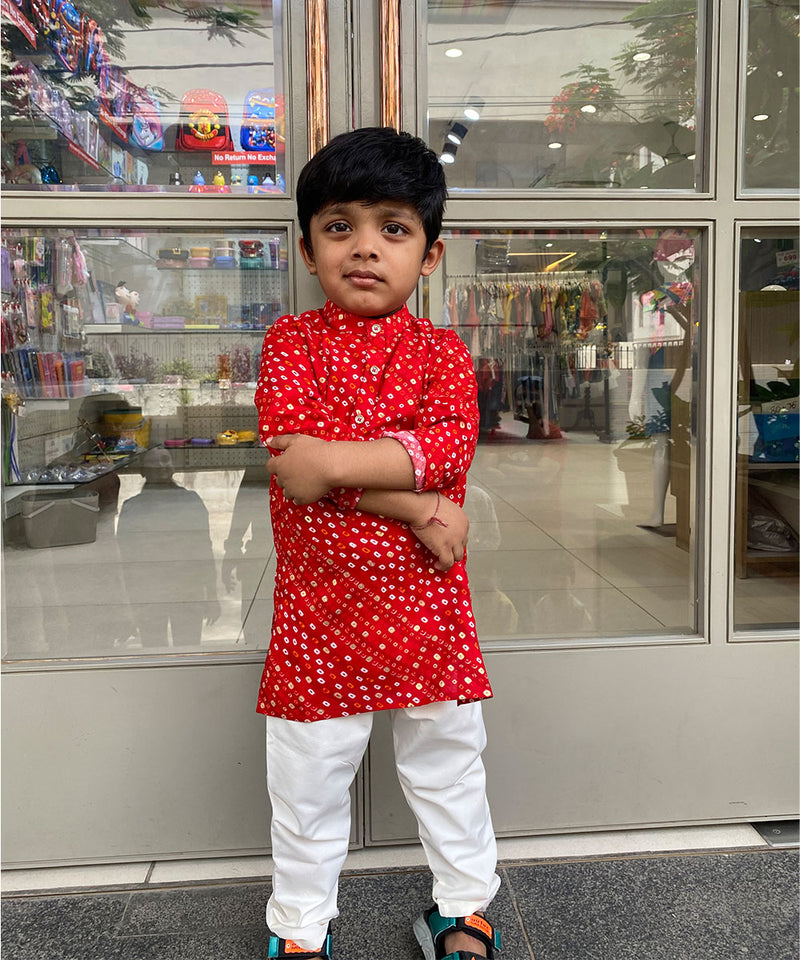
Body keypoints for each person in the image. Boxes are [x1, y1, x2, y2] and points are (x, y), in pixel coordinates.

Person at [254, 127, 501, 960]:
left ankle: (462, 912)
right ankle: (300, 930)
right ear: (307, 246)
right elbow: (293, 469)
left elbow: (444, 449)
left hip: (426, 607)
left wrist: (338, 466)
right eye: (340, 226)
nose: (365, 247)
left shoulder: (442, 354)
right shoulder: (290, 341)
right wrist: (419, 507)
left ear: (429, 255)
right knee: (308, 782)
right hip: (319, 612)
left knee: (448, 768)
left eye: (394, 228)